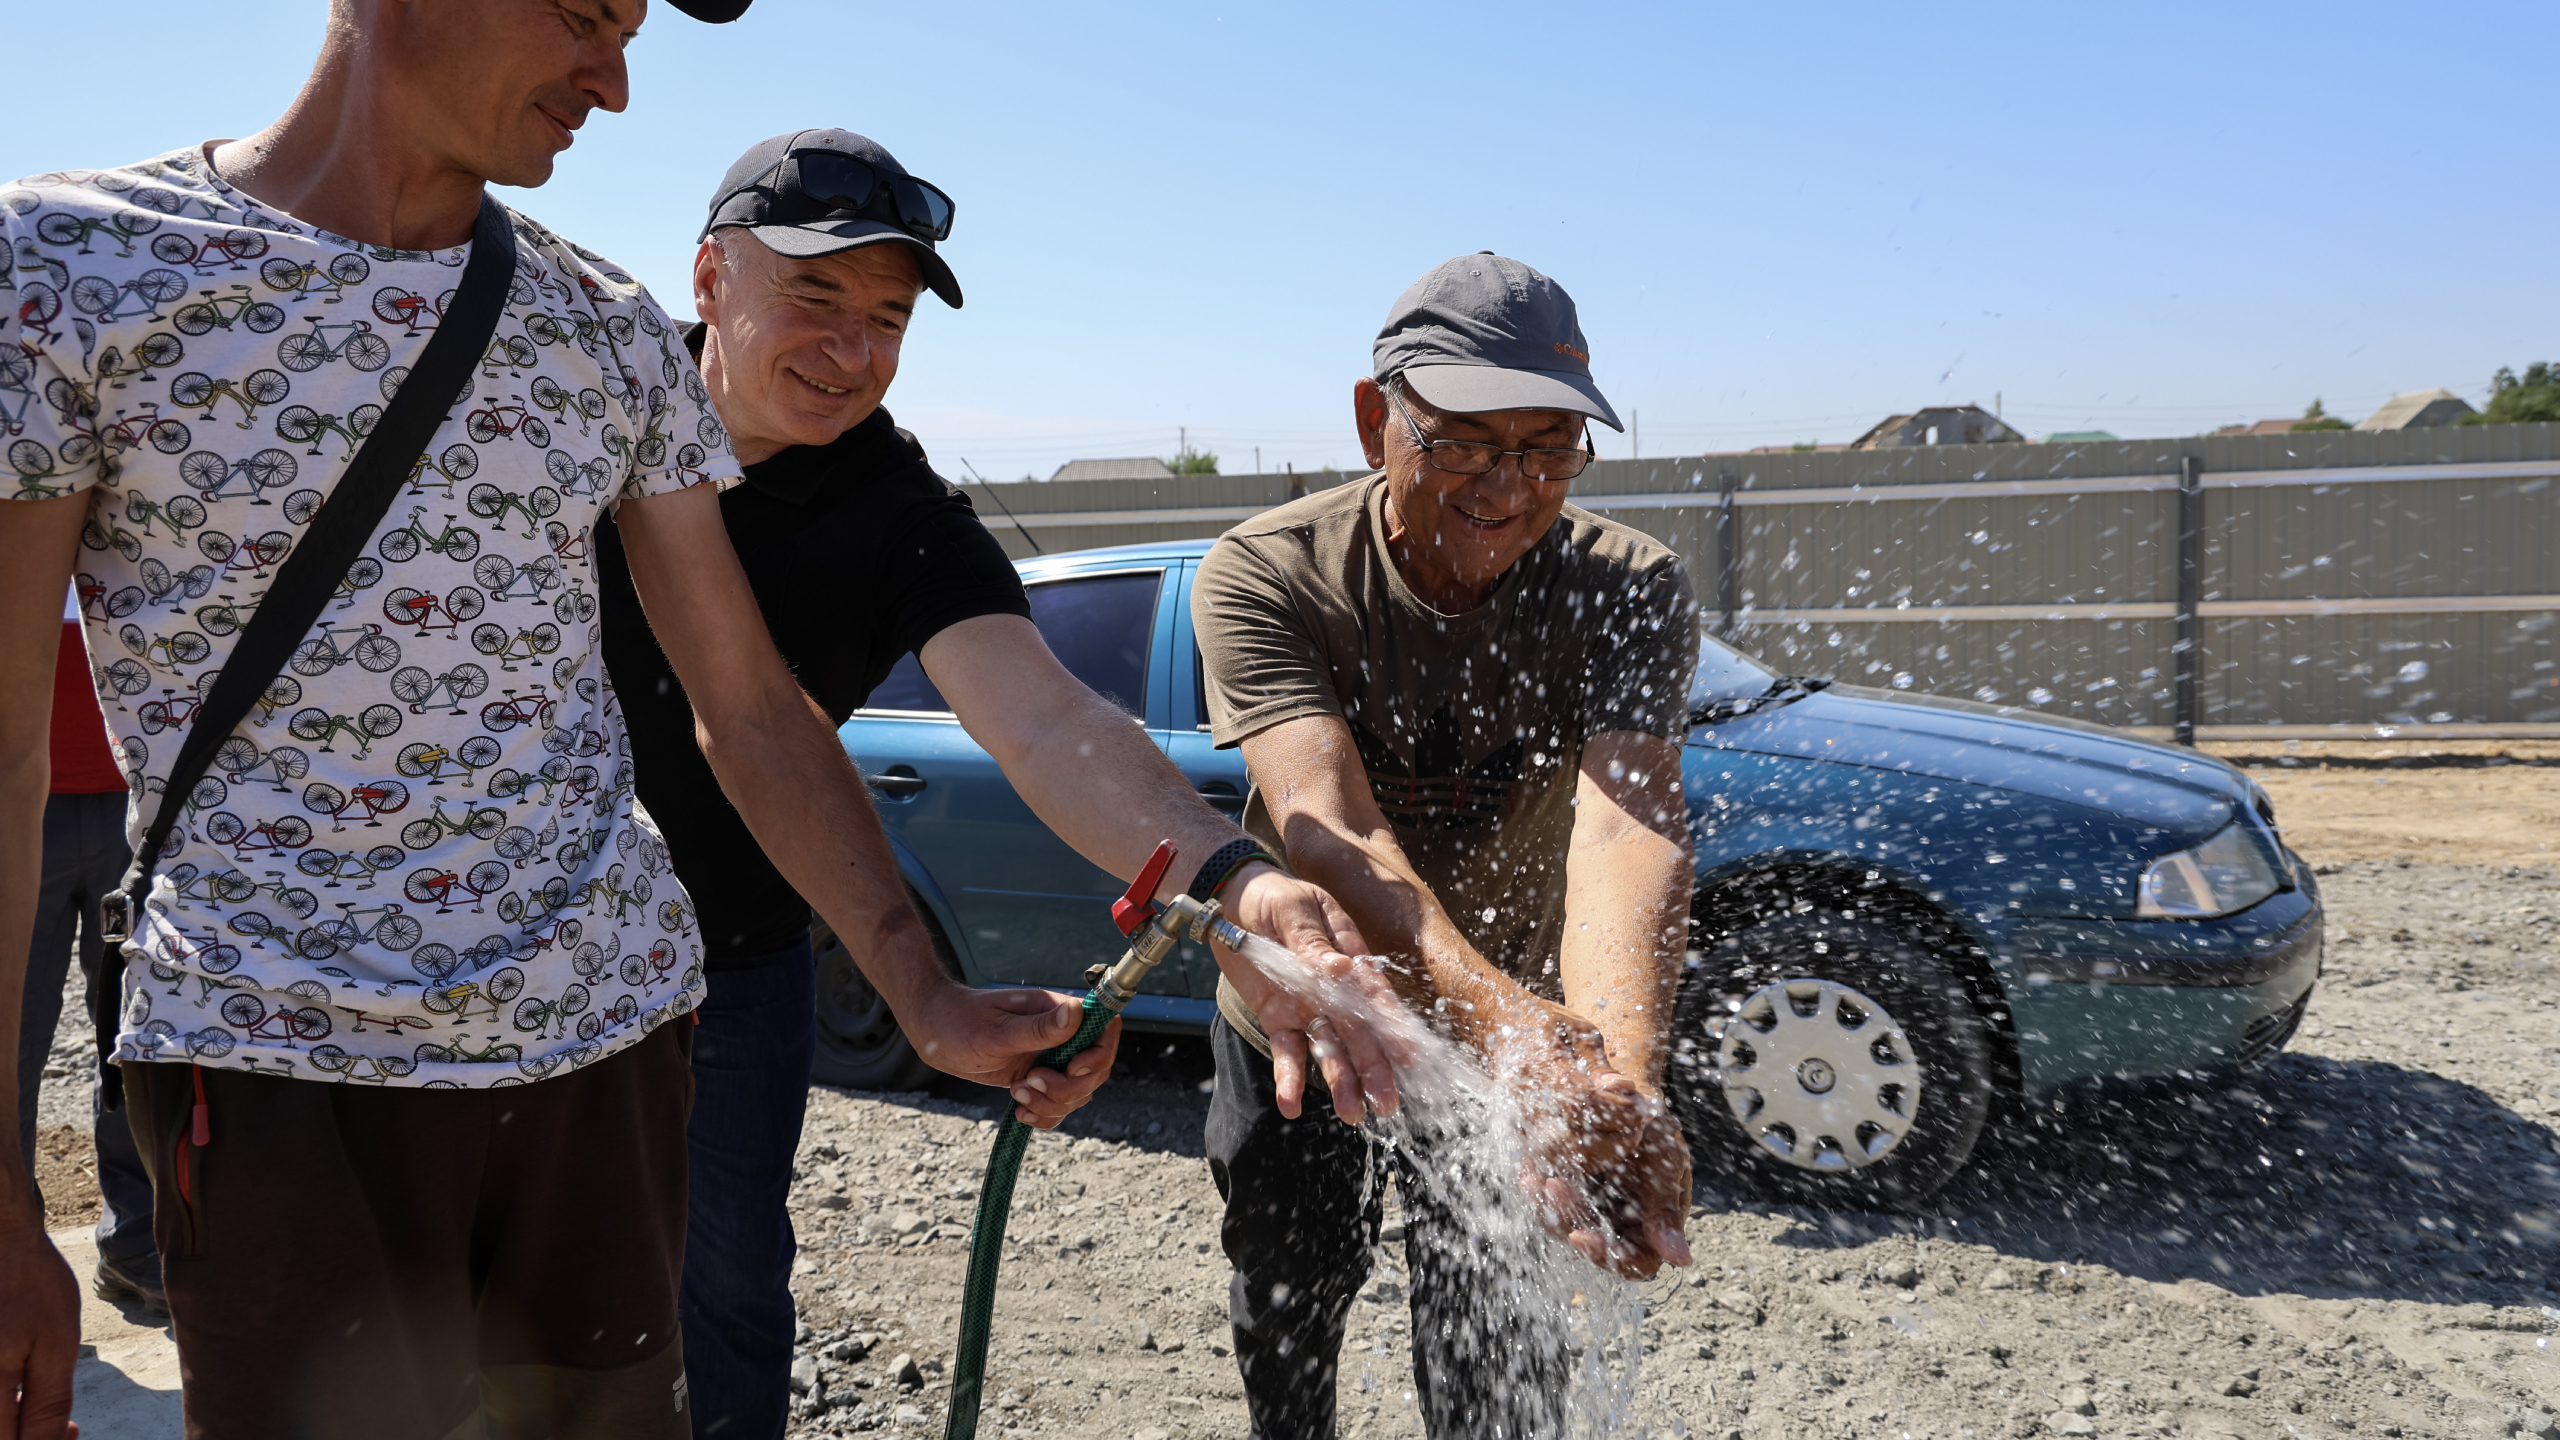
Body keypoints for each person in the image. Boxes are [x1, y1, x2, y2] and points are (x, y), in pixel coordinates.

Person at [0, 3, 1122, 1436]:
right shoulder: (70, 268)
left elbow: (751, 707)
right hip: (279, 1073)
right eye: (586, 14)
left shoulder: (600, 328)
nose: (618, 80)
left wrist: (924, 990)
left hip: (608, 1060)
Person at [592, 127, 1403, 1440]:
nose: (854, 351)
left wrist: (1233, 877)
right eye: (815, 297)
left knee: (725, 1292)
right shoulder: (574, 414)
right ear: (708, 279)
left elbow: (1041, 717)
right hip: (500, 931)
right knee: (488, 1302)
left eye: (889, 319)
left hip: (733, 955)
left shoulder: (890, 503)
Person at [1191, 252, 1702, 1439]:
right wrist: (1526, 1040)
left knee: (1500, 1352)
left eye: (1548, 448)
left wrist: (1611, 1090)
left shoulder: (1627, 584)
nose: (1509, 485)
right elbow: (1337, 826)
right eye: (1467, 442)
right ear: (1379, 420)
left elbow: (1627, 825)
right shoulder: (1270, 574)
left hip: (1516, 1032)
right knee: (1290, 1302)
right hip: (1310, 1021)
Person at [13, 585, 158, 1314]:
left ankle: (140, 1247)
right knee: (9, 1044)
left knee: (133, 1041)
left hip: (134, 806)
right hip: (13, 804)